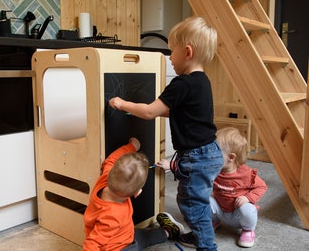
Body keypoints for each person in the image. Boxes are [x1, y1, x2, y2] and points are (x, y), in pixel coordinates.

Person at [109, 16, 223, 250]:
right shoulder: (203, 82)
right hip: (210, 152)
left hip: (196, 156)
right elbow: (182, 115)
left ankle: (207, 245)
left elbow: (150, 112)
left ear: (187, 51)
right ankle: (201, 235)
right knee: (193, 200)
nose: (170, 57)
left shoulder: (181, 84)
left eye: (172, 52)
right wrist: (143, 112)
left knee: (192, 204)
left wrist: (122, 103)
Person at [83, 137, 184, 251]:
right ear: (137, 192)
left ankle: (168, 232)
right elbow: (92, 243)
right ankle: (167, 232)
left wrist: (132, 146)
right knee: (140, 241)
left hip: (124, 233)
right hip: (120, 247)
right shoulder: (112, 215)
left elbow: (111, 159)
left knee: (142, 236)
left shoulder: (105, 177)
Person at [210, 127, 267, 248]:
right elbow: (195, 169)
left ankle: (248, 230)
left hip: (238, 214)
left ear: (231, 157)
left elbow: (262, 186)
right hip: (221, 210)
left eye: (215, 153)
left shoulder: (246, 174)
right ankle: (214, 220)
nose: (210, 156)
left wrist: (248, 197)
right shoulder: (214, 169)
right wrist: (172, 165)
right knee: (203, 199)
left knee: (247, 209)